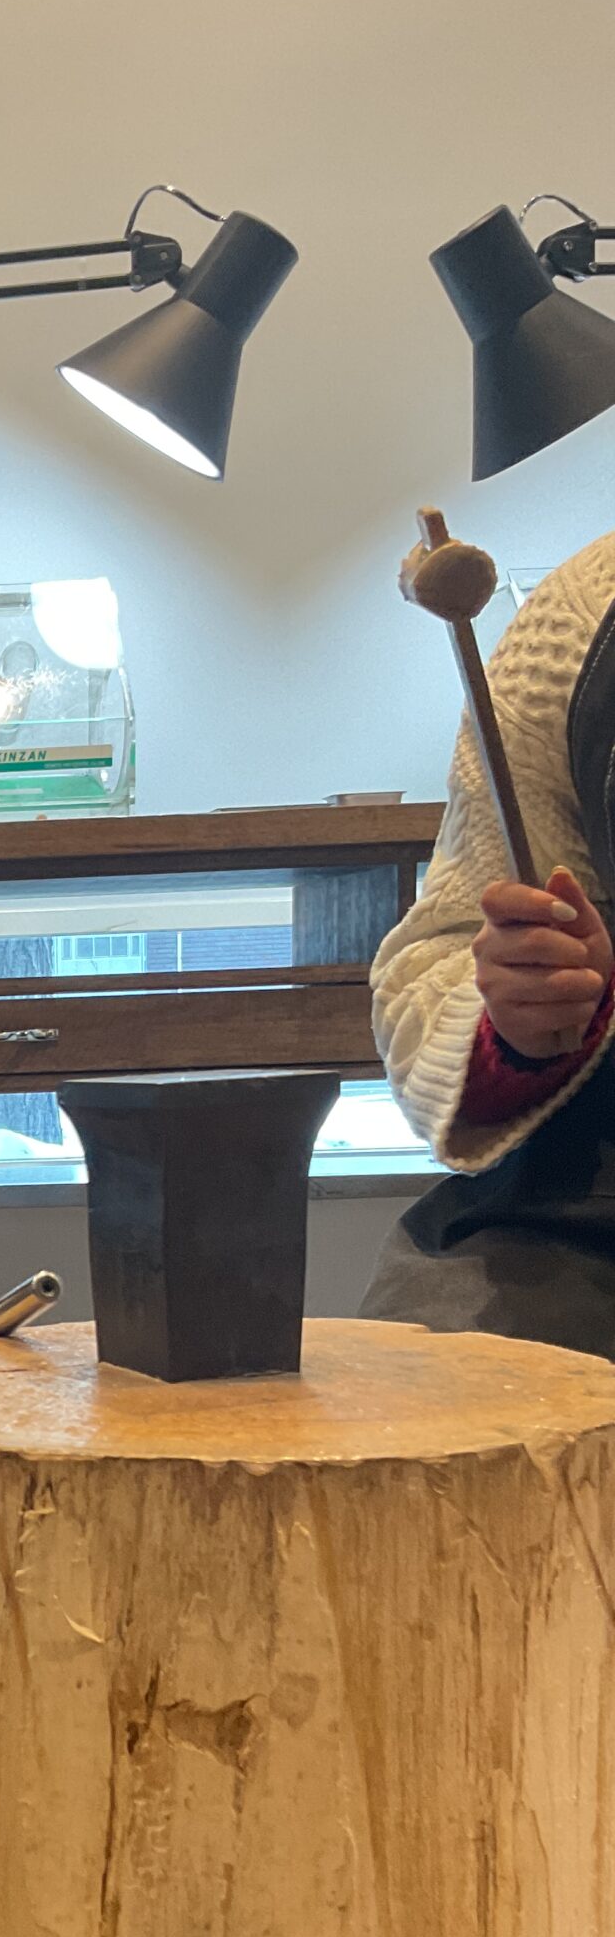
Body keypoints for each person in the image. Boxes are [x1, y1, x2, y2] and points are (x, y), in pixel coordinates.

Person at [364, 528, 615, 1346]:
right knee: (430, 1380)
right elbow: (443, 954)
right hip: (581, 1217)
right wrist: (524, 1021)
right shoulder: (578, 619)